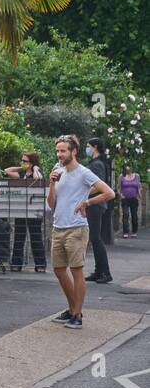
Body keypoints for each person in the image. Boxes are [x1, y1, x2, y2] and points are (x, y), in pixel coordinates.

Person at [49, 135, 116, 328]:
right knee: (59, 270)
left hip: (76, 228)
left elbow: (109, 192)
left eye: (63, 151)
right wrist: (52, 183)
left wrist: (87, 201)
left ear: (74, 151)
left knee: (76, 271)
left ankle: (77, 316)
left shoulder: (84, 172)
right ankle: (72, 309)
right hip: (58, 227)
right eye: (58, 151)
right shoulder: (57, 171)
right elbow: (51, 203)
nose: (60, 154)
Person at [4, 152, 47, 272]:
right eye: (22, 160)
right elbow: (6, 170)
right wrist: (21, 167)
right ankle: (16, 263)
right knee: (19, 236)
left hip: (34, 210)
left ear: (32, 162)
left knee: (36, 236)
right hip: (21, 209)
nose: (23, 163)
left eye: (25, 161)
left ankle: (40, 264)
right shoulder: (22, 173)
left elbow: (38, 179)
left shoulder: (36, 173)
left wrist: (35, 168)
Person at [84, 137, 113, 284]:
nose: (87, 149)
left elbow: (97, 186)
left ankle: (105, 273)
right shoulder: (98, 163)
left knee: (96, 238)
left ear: (94, 147)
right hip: (96, 205)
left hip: (95, 204)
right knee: (95, 239)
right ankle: (99, 271)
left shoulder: (97, 164)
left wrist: (83, 195)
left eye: (88, 146)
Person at [120, 165, 140, 238]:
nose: (128, 168)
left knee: (134, 215)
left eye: (129, 167)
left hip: (134, 198)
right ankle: (125, 232)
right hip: (125, 199)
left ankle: (134, 231)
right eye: (126, 167)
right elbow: (119, 186)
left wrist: (138, 196)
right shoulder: (121, 176)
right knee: (125, 215)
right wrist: (121, 195)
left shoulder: (137, 176)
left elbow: (139, 186)